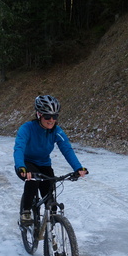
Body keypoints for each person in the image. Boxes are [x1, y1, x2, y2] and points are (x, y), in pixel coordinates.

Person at [14, 94, 88, 225]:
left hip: (44, 164)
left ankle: (51, 230)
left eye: (55, 116)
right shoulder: (27, 128)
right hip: (27, 164)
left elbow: (67, 149)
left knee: (50, 195)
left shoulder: (56, 131)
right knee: (32, 181)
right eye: (47, 116)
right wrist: (21, 166)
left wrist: (78, 168)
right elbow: (19, 148)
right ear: (39, 115)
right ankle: (25, 212)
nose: (51, 120)